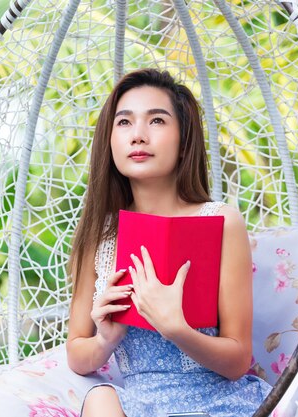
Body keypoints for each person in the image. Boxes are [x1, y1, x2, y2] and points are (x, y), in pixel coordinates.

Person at [66, 68, 271, 417]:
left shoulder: (221, 221)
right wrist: (105, 340)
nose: (138, 136)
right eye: (124, 122)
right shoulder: (100, 237)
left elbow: (237, 360)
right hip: (139, 406)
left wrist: (176, 328)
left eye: (157, 121)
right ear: (110, 140)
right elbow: (76, 353)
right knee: (100, 399)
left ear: (183, 140)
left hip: (221, 403)